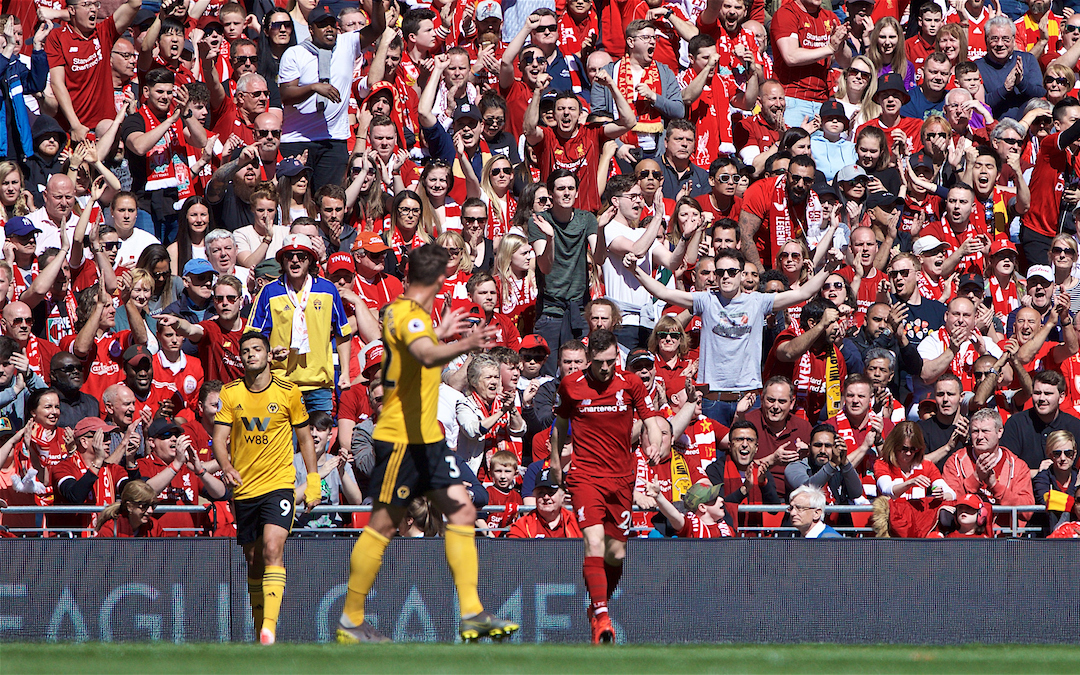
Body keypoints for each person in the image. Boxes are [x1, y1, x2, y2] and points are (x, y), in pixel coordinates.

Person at [336, 244, 518, 644]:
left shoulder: (415, 317)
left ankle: (471, 613)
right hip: (402, 438)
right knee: (382, 525)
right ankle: (351, 618)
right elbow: (425, 352)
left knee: (463, 509)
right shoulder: (404, 313)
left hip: (428, 437)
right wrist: (463, 346)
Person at [550, 328, 663, 643]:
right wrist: (557, 464)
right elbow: (559, 428)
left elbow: (651, 421)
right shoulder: (571, 386)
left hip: (622, 477)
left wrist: (653, 445)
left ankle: (598, 606)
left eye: (611, 361)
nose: (606, 368)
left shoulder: (631, 383)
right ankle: (601, 617)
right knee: (594, 543)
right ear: (589, 360)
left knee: (616, 553)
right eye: (599, 362)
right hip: (586, 476)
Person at [212, 331, 318, 645]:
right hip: (245, 487)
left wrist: (312, 480)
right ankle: (262, 630)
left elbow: (305, 438)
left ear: (269, 355)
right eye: (245, 351)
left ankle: (269, 628)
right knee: (254, 558)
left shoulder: (288, 391)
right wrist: (227, 466)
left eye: (257, 349)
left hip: (279, 484)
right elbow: (219, 439)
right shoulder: (231, 394)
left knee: (273, 548)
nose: (251, 355)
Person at [247, 234, 352, 412]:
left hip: (319, 386)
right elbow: (254, 337)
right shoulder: (269, 291)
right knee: (285, 441)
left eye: (301, 256)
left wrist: (345, 372)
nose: (295, 261)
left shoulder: (328, 290)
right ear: (282, 261)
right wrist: (270, 354)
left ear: (310, 259)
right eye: (289, 256)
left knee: (318, 439)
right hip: (281, 384)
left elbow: (343, 333)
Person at [278, 6, 365, 188]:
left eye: (331, 24)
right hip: (298, 139)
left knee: (329, 199)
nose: (329, 29)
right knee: (297, 200)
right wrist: (314, 88)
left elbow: (377, 29)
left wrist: (378, 5)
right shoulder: (295, 53)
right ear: (311, 29)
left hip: (334, 140)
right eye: (322, 25)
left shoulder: (346, 44)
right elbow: (286, 95)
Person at [942, 407, 1036, 530]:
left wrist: (995, 485)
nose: (980, 436)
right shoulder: (955, 462)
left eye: (985, 431)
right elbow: (949, 504)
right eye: (975, 431)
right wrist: (976, 478)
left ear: (1000, 432)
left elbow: (1027, 511)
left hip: (1004, 539)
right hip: (965, 538)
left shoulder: (1018, 466)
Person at [1001, 371, 1080, 474]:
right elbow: (1006, 469)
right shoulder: (1016, 424)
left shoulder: (1075, 426)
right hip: (1026, 487)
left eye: (1048, 394)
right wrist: (1039, 472)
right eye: (1037, 393)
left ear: (1061, 397)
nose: (1042, 398)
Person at [874, 422, 956, 500]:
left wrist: (942, 495)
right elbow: (887, 490)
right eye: (904, 449)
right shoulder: (883, 464)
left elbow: (952, 494)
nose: (909, 453)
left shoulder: (926, 465)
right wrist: (910, 483)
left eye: (913, 449)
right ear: (894, 446)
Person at [506, 468, 583, 538]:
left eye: (551, 492)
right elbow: (513, 550)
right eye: (541, 493)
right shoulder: (521, 526)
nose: (546, 497)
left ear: (562, 496)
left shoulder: (577, 522)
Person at [647, 480, 735, 538]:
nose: (721, 500)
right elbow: (674, 516)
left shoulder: (727, 528)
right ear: (702, 507)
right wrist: (659, 497)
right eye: (714, 499)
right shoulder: (690, 526)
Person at [1033, 430, 1079, 535]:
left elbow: (1056, 501)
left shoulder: (1078, 476)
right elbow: (1047, 499)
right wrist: (1075, 503)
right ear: (1050, 455)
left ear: (1075, 454)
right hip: (1046, 537)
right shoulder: (1042, 478)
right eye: (1057, 453)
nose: (1063, 458)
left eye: (1068, 453)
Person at [94, 479, 165, 538]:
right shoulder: (111, 529)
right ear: (129, 506)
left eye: (152, 505)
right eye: (144, 506)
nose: (150, 511)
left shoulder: (154, 526)